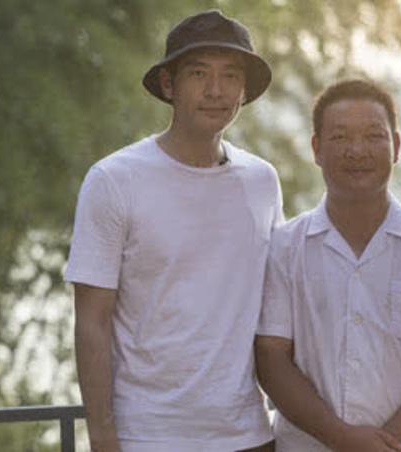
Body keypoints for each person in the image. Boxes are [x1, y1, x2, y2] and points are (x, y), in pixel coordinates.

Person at [64, 10, 281, 452]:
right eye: (199, 73)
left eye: (230, 75)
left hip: (247, 433)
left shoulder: (262, 181)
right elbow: (91, 320)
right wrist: (102, 435)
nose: (215, 90)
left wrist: (397, 219)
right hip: (148, 435)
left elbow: (291, 278)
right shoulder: (115, 180)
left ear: (244, 90)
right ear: (169, 85)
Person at [255, 79, 401, 452]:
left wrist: (385, 445)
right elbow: (271, 358)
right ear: (316, 148)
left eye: (373, 136)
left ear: (396, 147)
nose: (357, 150)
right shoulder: (284, 248)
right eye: (340, 137)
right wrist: (340, 438)